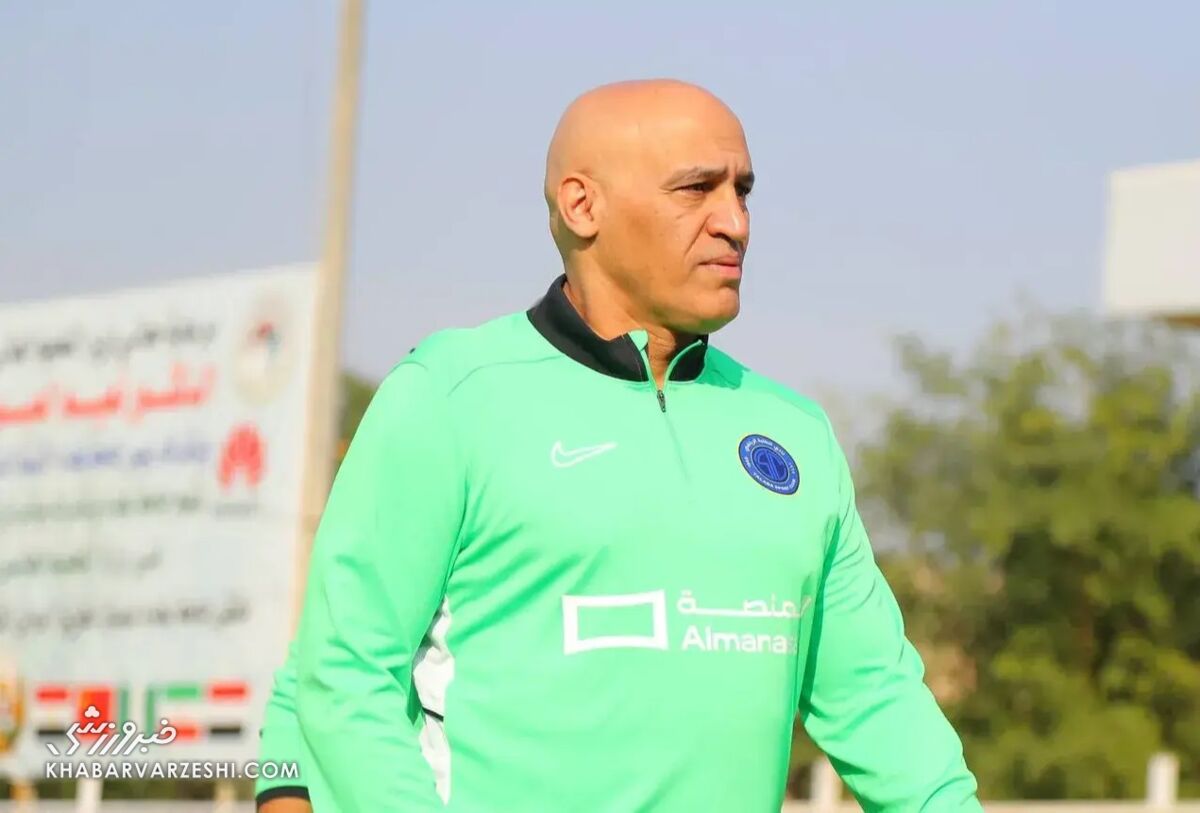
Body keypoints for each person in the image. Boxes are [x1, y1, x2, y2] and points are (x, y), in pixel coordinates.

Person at [255, 79, 982, 812]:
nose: (735, 222)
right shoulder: (450, 395)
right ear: (582, 206)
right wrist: (284, 788)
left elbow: (877, 700)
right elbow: (341, 671)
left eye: (742, 191)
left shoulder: (795, 432)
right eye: (696, 189)